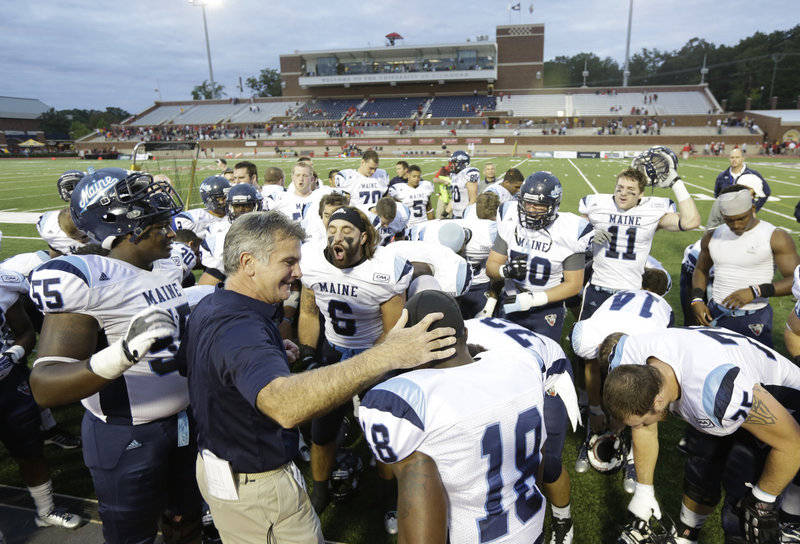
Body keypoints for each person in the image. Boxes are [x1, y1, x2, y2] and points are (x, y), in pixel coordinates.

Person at [180, 211, 455, 544]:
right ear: (248, 262)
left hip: (223, 466)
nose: (298, 273)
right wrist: (388, 353)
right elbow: (285, 405)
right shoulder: (243, 328)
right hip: (257, 485)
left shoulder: (215, 305)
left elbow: (200, 364)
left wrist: (264, 353)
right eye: (288, 262)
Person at [28, 168, 203, 543]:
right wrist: (122, 353)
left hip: (185, 423)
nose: (171, 231)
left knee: (186, 519)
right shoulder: (88, 279)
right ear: (123, 228)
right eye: (159, 224)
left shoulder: (164, 267)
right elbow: (44, 387)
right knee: (131, 535)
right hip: (125, 433)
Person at [358, 290, 550, 544]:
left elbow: (417, 487)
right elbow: (540, 458)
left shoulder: (404, 399)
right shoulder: (522, 364)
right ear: (465, 334)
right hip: (531, 525)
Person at [602, 327, 800, 543]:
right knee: (701, 468)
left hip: (780, 401)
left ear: (658, 402)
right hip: (719, 388)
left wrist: (763, 499)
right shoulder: (632, 366)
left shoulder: (717, 393)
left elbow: (793, 442)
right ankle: (687, 535)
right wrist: (644, 490)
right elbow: (643, 427)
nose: (637, 428)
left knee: (741, 511)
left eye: (640, 420)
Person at [297, 206, 413, 525]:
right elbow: (308, 312)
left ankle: (391, 498)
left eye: (347, 231)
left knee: (384, 431)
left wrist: (364, 366)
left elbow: (393, 332)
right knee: (321, 431)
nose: (338, 236)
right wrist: (308, 353)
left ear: (363, 238)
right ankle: (319, 493)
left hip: (376, 352)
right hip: (333, 349)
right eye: (332, 230)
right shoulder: (312, 261)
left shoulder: (385, 268)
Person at [465, 314, 580, 543]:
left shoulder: (513, 366)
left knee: (544, 460)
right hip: (515, 357)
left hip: (547, 374)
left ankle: (562, 517)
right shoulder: (462, 333)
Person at [0, 268, 81, 530]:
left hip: (8, 385)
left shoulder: (4, 285)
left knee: (30, 450)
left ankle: (45, 511)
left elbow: (26, 332)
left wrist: (12, 355)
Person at [579, 148, 700, 320]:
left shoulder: (651, 211)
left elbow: (691, 221)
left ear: (641, 194)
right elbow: (573, 235)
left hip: (631, 291)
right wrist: (588, 237)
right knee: (587, 343)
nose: (623, 193)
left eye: (630, 189)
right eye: (620, 188)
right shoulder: (597, 205)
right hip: (597, 288)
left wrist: (676, 183)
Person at [486, 171, 594, 342]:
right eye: (527, 203)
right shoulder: (510, 218)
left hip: (547, 308)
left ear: (553, 204)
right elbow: (491, 266)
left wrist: (533, 299)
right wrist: (505, 271)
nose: (530, 209)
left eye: (538, 205)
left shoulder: (570, 231)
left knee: (544, 359)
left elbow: (573, 285)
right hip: (511, 301)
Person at [691, 187, 800, 348]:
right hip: (716, 312)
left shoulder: (775, 236)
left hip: (754, 317)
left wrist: (756, 291)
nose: (736, 224)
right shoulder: (712, 236)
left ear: (753, 209)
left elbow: (796, 280)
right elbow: (700, 270)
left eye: (742, 218)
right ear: (722, 216)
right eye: (729, 220)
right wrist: (697, 299)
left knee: (755, 370)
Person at [198, 183, 264, 285]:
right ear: (229, 207)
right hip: (227, 278)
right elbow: (217, 268)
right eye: (237, 206)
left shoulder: (268, 228)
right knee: (215, 271)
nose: (241, 210)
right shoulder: (218, 231)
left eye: (246, 206)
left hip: (261, 276)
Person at [445, 150, 480, 219]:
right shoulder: (454, 175)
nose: (451, 165)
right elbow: (454, 199)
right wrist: (445, 213)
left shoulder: (468, 173)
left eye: (454, 163)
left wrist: (466, 216)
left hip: (465, 215)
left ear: (462, 163)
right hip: (455, 214)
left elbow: (473, 200)